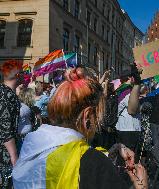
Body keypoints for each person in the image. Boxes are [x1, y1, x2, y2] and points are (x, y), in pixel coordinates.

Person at [12, 68, 148, 189]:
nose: (99, 122)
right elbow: (83, 162)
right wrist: (141, 185)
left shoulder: (31, 143)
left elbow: (65, 156)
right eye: (100, 115)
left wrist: (110, 152)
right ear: (88, 115)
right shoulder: (93, 163)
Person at [0, 60, 23, 188]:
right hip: (5, 154)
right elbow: (5, 128)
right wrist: (14, 158)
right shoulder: (6, 95)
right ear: (18, 75)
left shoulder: (7, 92)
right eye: (23, 73)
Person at [115, 69, 141, 153]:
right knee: (130, 159)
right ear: (131, 78)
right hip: (130, 129)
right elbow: (132, 110)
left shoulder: (119, 90)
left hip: (121, 127)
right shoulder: (128, 91)